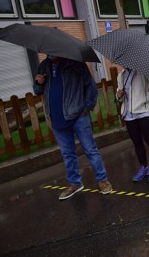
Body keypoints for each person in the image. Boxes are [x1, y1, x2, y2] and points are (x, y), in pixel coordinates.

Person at [33, 56, 113, 200]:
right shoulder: (44, 66)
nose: (49, 53)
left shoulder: (75, 63)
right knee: (67, 154)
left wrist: (87, 107)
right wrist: (38, 83)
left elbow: (90, 86)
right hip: (56, 117)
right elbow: (37, 91)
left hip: (78, 116)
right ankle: (75, 183)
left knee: (90, 149)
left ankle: (103, 180)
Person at [116, 68, 149, 182]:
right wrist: (119, 95)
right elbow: (120, 97)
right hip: (128, 115)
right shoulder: (121, 75)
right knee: (137, 142)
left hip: (144, 112)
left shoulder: (144, 71)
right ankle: (144, 167)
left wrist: (146, 98)